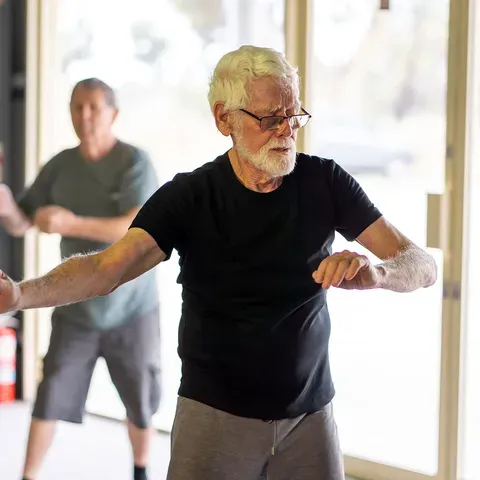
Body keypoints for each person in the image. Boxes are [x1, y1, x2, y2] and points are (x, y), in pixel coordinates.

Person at [0, 48, 437, 480]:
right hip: (213, 417)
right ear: (224, 119)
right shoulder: (190, 196)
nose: (286, 130)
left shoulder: (326, 180)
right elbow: (106, 269)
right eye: (270, 118)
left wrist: (378, 274)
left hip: (310, 418)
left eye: (293, 115)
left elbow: (421, 264)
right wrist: (20, 294)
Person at [0, 78, 160, 480]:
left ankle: (141, 471)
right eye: (76, 107)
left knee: (141, 403)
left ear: (113, 114)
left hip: (132, 308)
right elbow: (22, 223)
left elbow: (135, 227)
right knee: (49, 397)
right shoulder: (60, 166)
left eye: (93, 107)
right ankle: (28, 476)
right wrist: (5, 206)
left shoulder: (134, 162)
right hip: (76, 308)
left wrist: (70, 223)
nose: (84, 116)